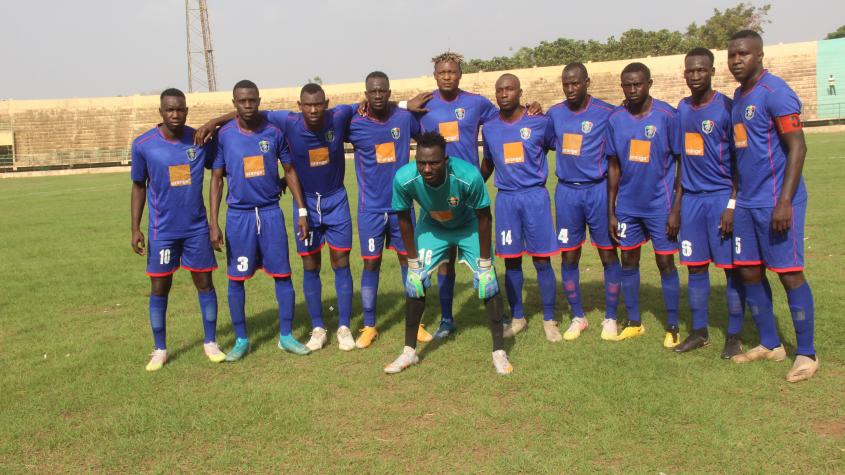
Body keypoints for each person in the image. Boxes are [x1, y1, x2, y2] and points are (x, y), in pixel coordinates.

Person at [198, 85, 357, 352]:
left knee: (337, 261)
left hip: (328, 201)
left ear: (326, 103)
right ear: (299, 106)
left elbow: (368, 104)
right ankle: (316, 328)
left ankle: (342, 327)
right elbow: (218, 174)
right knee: (307, 264)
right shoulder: (282, 122)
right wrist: (214, 121)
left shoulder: (334, 116)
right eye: (308, 105)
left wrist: (403, 106)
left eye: (318, 104)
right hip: (265, 210)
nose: (314, 109)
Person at [727, 30, 818, 382]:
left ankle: (807, 354)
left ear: (760, 55)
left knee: (789, 273)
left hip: (777, 202)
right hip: (747, 203)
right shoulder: (738, 96)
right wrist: (734, 202)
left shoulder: (776, 92)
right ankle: (770, 343)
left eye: (744, 54)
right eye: (732, 55)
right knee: (749, 270)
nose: (737, 60)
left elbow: (798, 147)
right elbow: (741, 155)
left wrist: (784, 202)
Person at [386, 131, 512, 374]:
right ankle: (409, 352)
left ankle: (499, 352)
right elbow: (403, 219)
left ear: (445, 160)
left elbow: (484, 218)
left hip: (468, 226)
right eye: (421, 163)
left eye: (434, 163)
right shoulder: (404, 178)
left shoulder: (468, 175)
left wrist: (485, 263)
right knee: (415, 282)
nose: (427, 169)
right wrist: (413, 262)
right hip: (433, 227)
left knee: (488, 283)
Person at [209, 80, 310, 360]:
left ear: (259, 101)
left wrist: (302, 211)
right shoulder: (224, 136)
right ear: (234, 103)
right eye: (242, 101)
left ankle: (286, 336)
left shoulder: (273, 133)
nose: (248, 105)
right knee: (236, 279)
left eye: (252, 100)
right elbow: (216, 179)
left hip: (270, 214)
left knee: (283, 275)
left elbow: (290, 171)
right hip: (239, 217)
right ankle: (241, 339)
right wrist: (213, 223)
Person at [403, 51, 499, 340]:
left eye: (452, 72)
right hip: (436, 198)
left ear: (460, 74)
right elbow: (388, 118)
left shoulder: (477, 103)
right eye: (442, 72)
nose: (447, 76)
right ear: (435, 75)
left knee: (484, 261)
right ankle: (446, 320)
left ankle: (499, 314)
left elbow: (503, 124)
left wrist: (479, 179)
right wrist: (403, 105)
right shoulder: (423, 106)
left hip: (467, 195)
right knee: (444, 262)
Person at [130, 88, 225, 371]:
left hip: (196, 229)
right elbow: (138, 186)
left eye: (180, 109)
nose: (175, 114)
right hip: (162, 231)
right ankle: (160, 349)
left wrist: (213, 223)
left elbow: (218, 173)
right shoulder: (144, 145)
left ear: (186, 111)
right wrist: (135, 228)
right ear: (160, 112)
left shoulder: (199, 140)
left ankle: (210, 342)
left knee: (205, 283)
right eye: (170, 109)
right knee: (160, 287)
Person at [674, 47, 749, 357]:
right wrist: (676, 206)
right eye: (690, 70)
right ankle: (699, 332)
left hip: (720, 198)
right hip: (691, 201)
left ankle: (734, 335)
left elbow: (741, 163)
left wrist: (731, 204)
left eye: (701, 70)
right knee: (695, 268)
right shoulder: (682, 108)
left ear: (712, 72)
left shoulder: (726, 108)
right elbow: (681, 161)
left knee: (731, 269)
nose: (695, 75)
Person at [606, 62, 683, 348]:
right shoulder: (615, 119)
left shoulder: (667, 115)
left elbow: (681, 162)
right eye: (627, 85)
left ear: (649, 83)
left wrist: (676, 208)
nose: (633, 89)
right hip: (627, 206)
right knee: (628, 260)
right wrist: (611, 211)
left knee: (665, 262)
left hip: (660, 205)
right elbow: (613, 166)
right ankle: (634, 322)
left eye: (638, 84)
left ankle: (672, 326)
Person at [479, 74, 560, 342]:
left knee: (541, 259)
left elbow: (553, 145)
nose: (504, 94)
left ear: (520, 92)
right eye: (499, 90)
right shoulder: (490, 127)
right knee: (511, 260)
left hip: (535, 197)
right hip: (507, 200)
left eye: (509, 89)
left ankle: (549, 320)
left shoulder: (539, 121)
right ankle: (517, 318)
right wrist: (473, 186)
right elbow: (489, 162)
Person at [545, 62, 622, 341]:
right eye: (566, 83)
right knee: (569, 255)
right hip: (567, 193)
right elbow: (546, 142)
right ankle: (578, 317)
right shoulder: (555, 114)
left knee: (608, 254)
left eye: (575, 83)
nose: (570, 88)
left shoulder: (606, 112)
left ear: (587, 82)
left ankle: (611, 317)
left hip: (597, 191)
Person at [347, 71, 421, 348]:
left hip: (402, 206)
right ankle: (369, 325)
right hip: (371, 209)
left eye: (382, 91)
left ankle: (416, 323)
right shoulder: (354, 123)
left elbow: (428, 138)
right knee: (371, 263)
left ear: (389, 93)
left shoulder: (404, 118)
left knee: (409, 261)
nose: (378, 95)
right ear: (366, 94)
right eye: (373, 91)